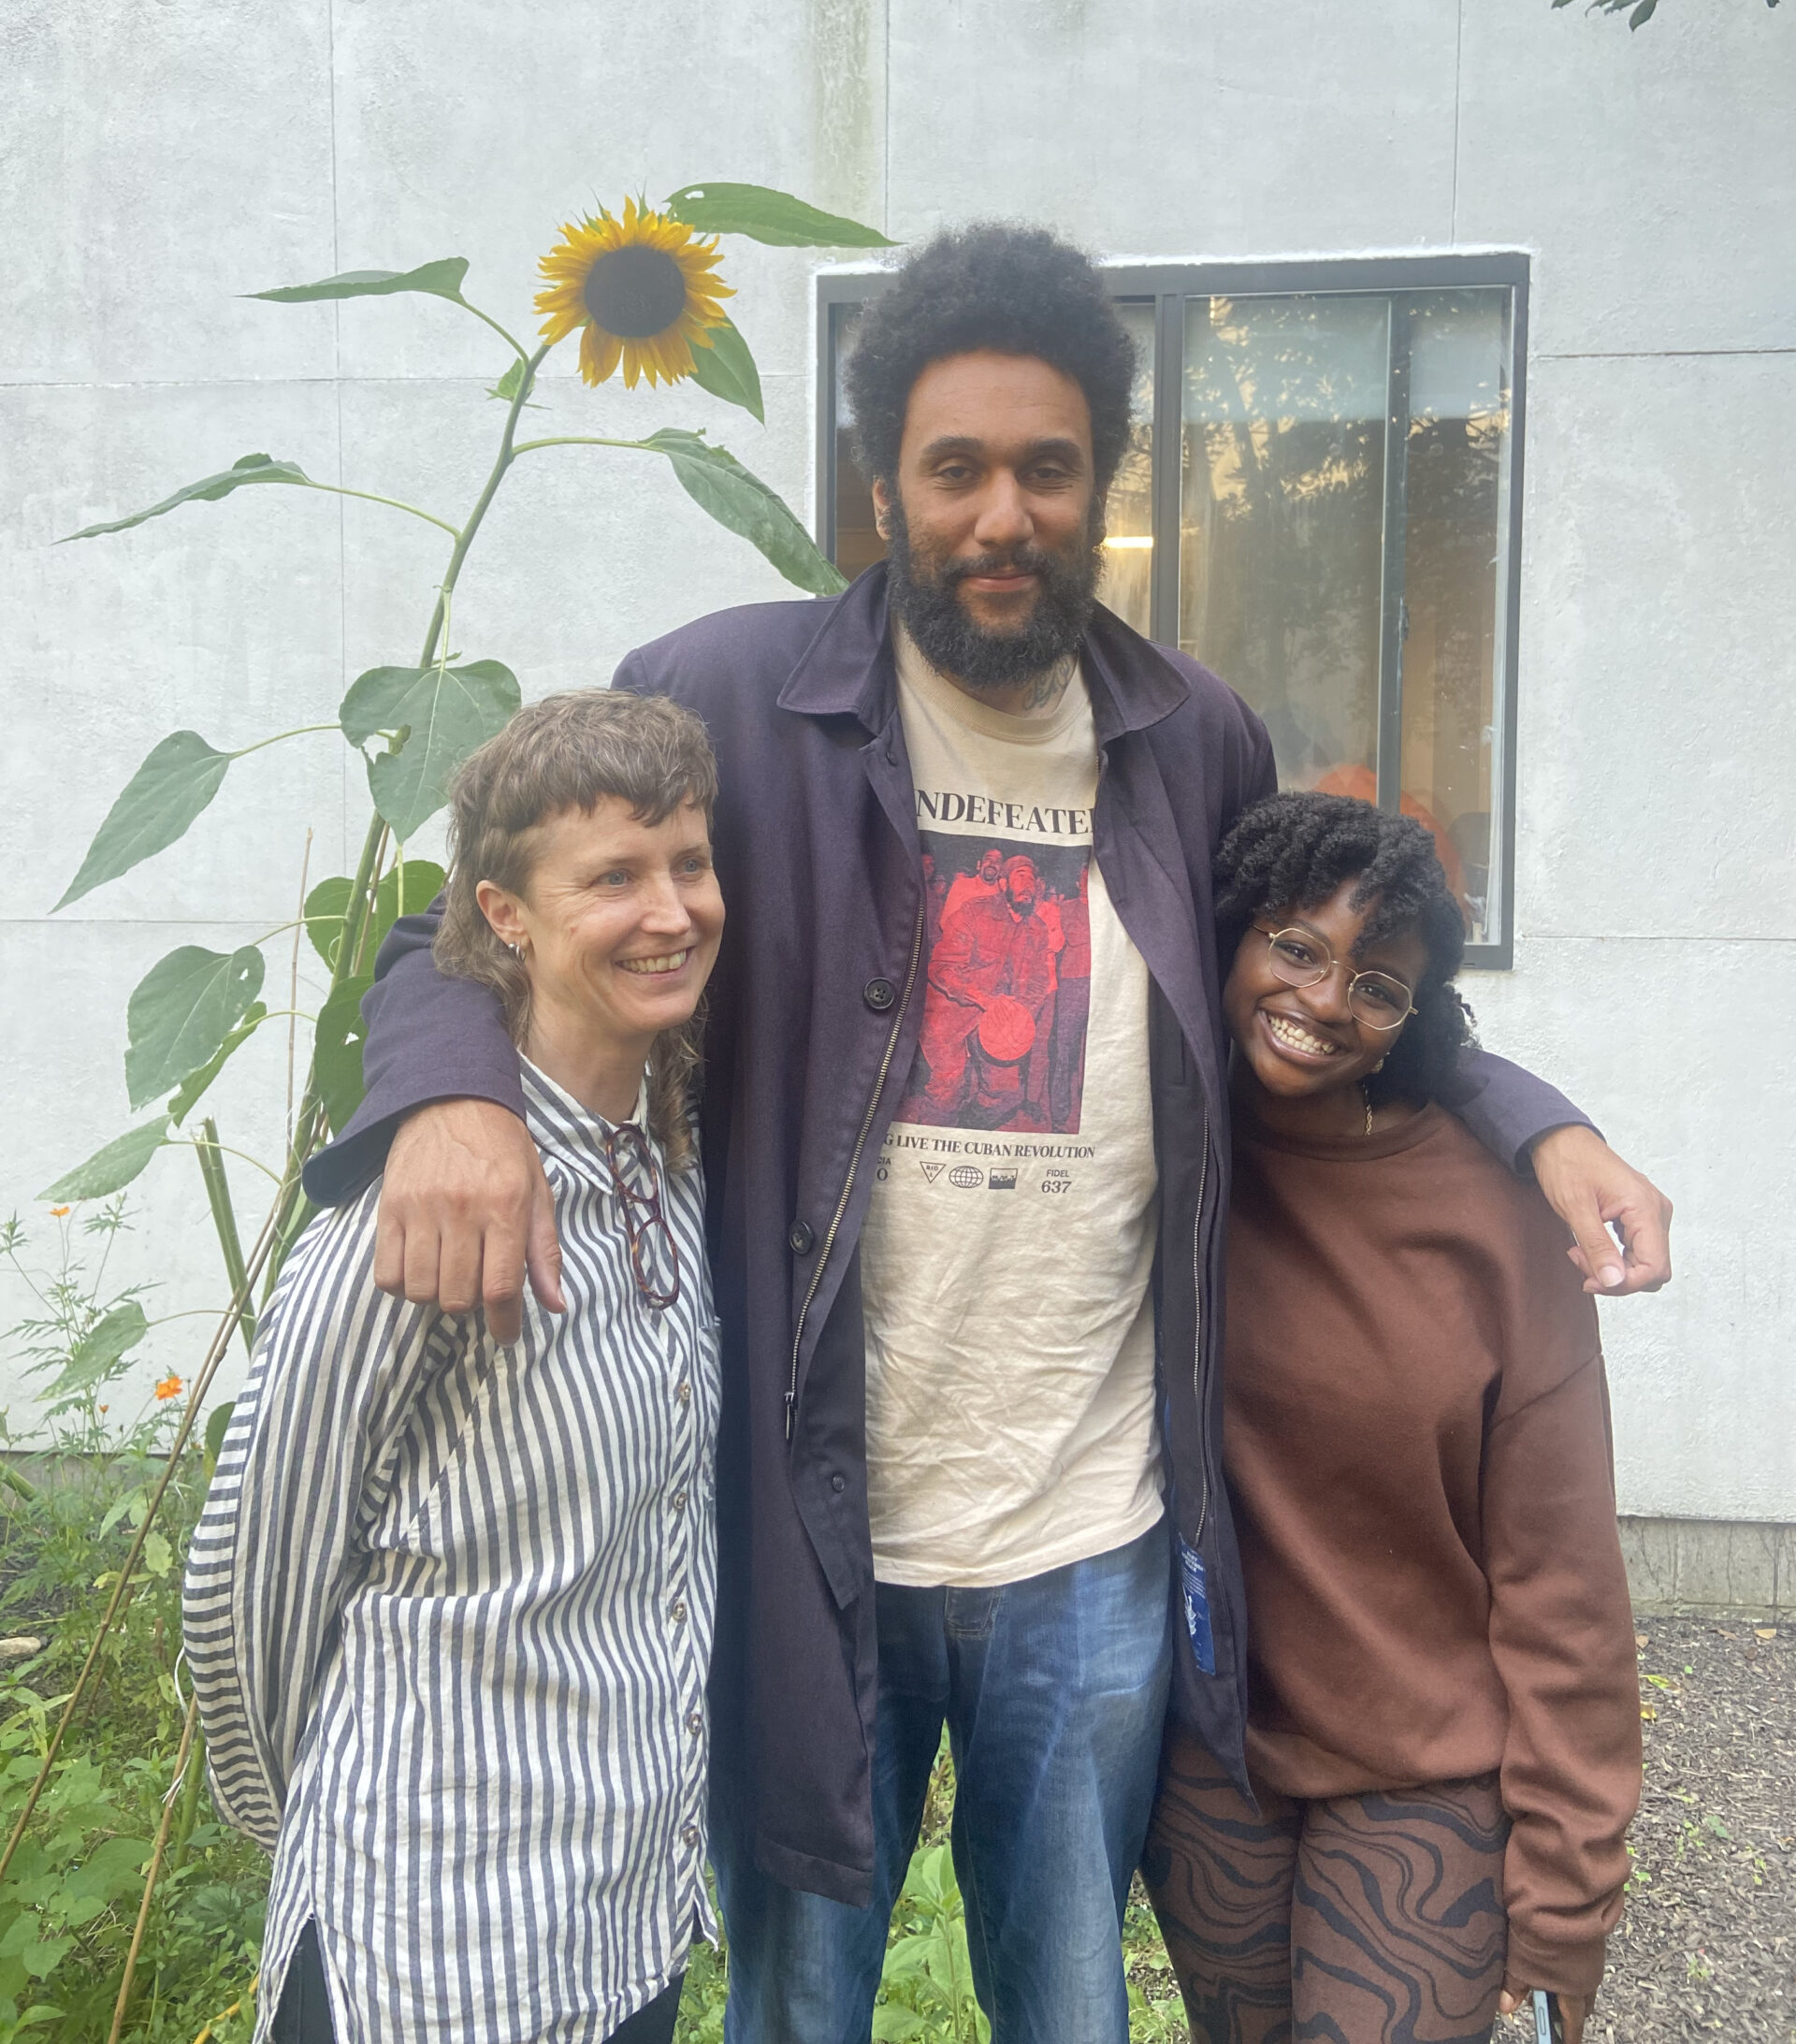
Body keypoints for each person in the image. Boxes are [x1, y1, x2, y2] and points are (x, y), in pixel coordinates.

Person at [301, 225, 1672, 2044]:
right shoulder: (731, 702)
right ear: (885, 488)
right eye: (956, 469)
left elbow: (1334, 982)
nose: (1003, 512)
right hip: (811, 1541)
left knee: (1068, 2005)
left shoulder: (1194, 739)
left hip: (1088, 1547)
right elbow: (469, 922)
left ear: (1104, 482)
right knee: (800, 2004)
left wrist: (1529, 1117)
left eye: (1047, 468)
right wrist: (452, 1086)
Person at [183, 691, 726, 2044]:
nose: (671, 911)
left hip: (622, 1925)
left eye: (691, 864)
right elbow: (253, 1577)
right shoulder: (422, 1210)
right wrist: (329, 1821)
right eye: (613, 876)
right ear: (504, 915)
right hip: (431, 1949)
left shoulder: (662, 1163)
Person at [1143, 792, 1641, 2044]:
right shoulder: (1170, 1144)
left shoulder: (1494, 1217)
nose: (1322, 1001)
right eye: (1296, 948)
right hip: (1213, 1754)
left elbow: (1562, 1580)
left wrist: (1565, 1900)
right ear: (1231, 936)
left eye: (1378, 984)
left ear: (1417, 1014)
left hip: (1425, 1769)